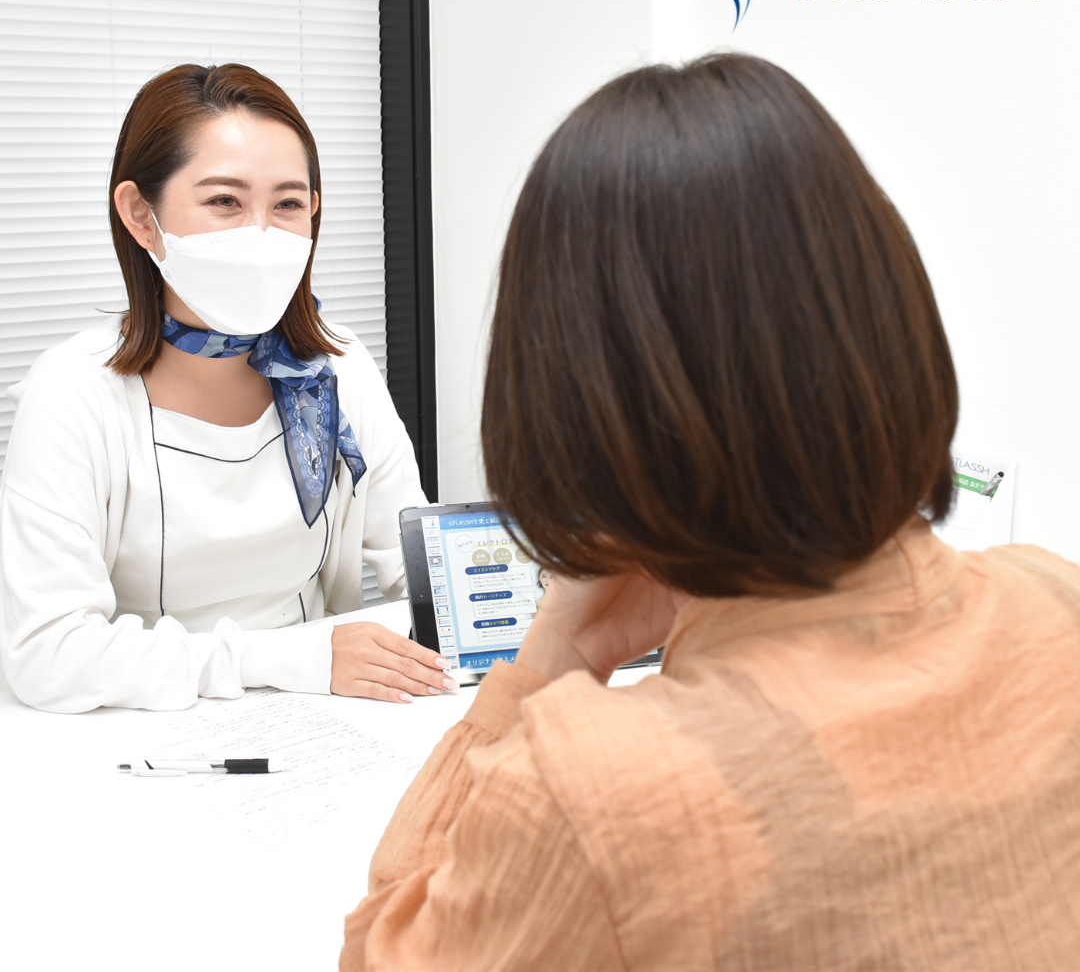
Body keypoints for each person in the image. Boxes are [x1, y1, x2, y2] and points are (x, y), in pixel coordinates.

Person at [339, 54, 1080, 969]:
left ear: (571, 401)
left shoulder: (597, 794)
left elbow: (385, 950)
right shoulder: (1058, 602)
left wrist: (549, 664)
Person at [0, 64, 455, 712]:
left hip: (323, 712)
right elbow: (48, 653)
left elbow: (420, 565)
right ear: (141, 216)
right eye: (225, 202)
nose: (261, 234)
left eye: (287, 204)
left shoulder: (338, 364)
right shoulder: (73, 393)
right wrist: (286, 659)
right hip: (141, 724)